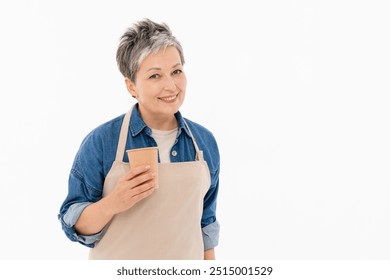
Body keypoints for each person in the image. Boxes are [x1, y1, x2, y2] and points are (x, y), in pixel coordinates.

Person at [58, 18, 220, 260]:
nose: (171, 86)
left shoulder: (204, 142)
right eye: (155, 76)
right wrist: (113, 202)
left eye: (176, 71)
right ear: (131, 86)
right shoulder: (102, 142)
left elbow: (205, 226)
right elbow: (73, 224)